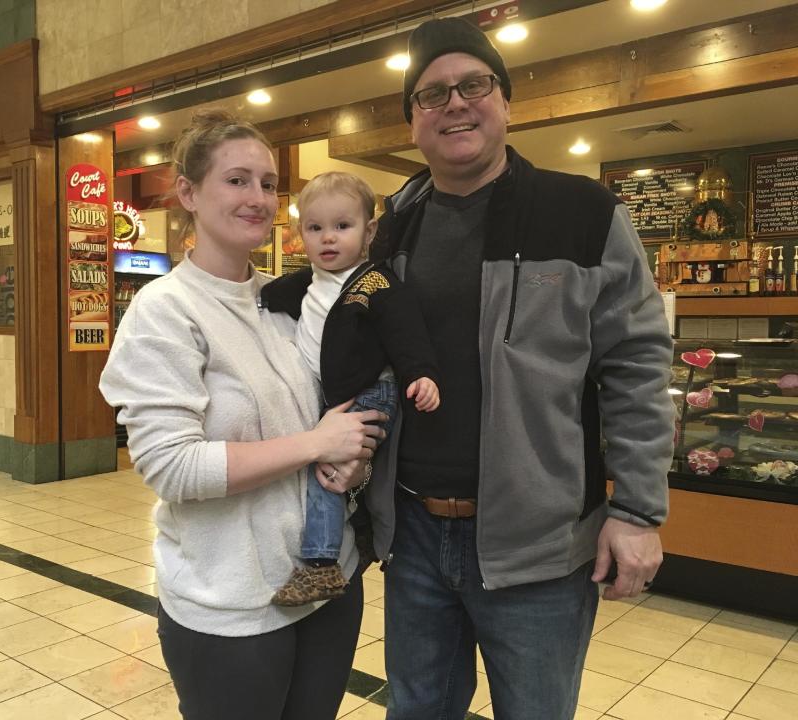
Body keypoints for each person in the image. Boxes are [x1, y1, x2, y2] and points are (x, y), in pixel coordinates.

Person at [363, 18, 675, 720]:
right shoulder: (394, 228)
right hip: (413, 537)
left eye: (472, 84)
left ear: (505, 101)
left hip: (540, 549)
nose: (454, 104)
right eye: (431, 94)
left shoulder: (583, 213)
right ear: (413, 120)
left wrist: (636, 509)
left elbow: (635, 363)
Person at [98, 110, 386, 720]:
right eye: (236, 180)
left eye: (267, 183)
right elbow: (172, 467)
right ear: (187, 193)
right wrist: (315, 444)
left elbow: (338, 413)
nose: (258, 198)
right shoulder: (165, 311)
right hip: (231, 604)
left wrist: (351, 462)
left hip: (329, 585)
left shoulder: (287, 300)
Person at [261, 172, 440, 606]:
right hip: (328, 395)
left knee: (327, 471)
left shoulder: (374, 284)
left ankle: (320, 565)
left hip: (368, 393)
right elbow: (257, 295)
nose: (328, 239)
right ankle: (357, 535)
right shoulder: (306, 282)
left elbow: (406, 332)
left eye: (342, 226)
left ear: (369, 231)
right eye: (315, 228)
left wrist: (422, 373)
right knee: (329, 470)